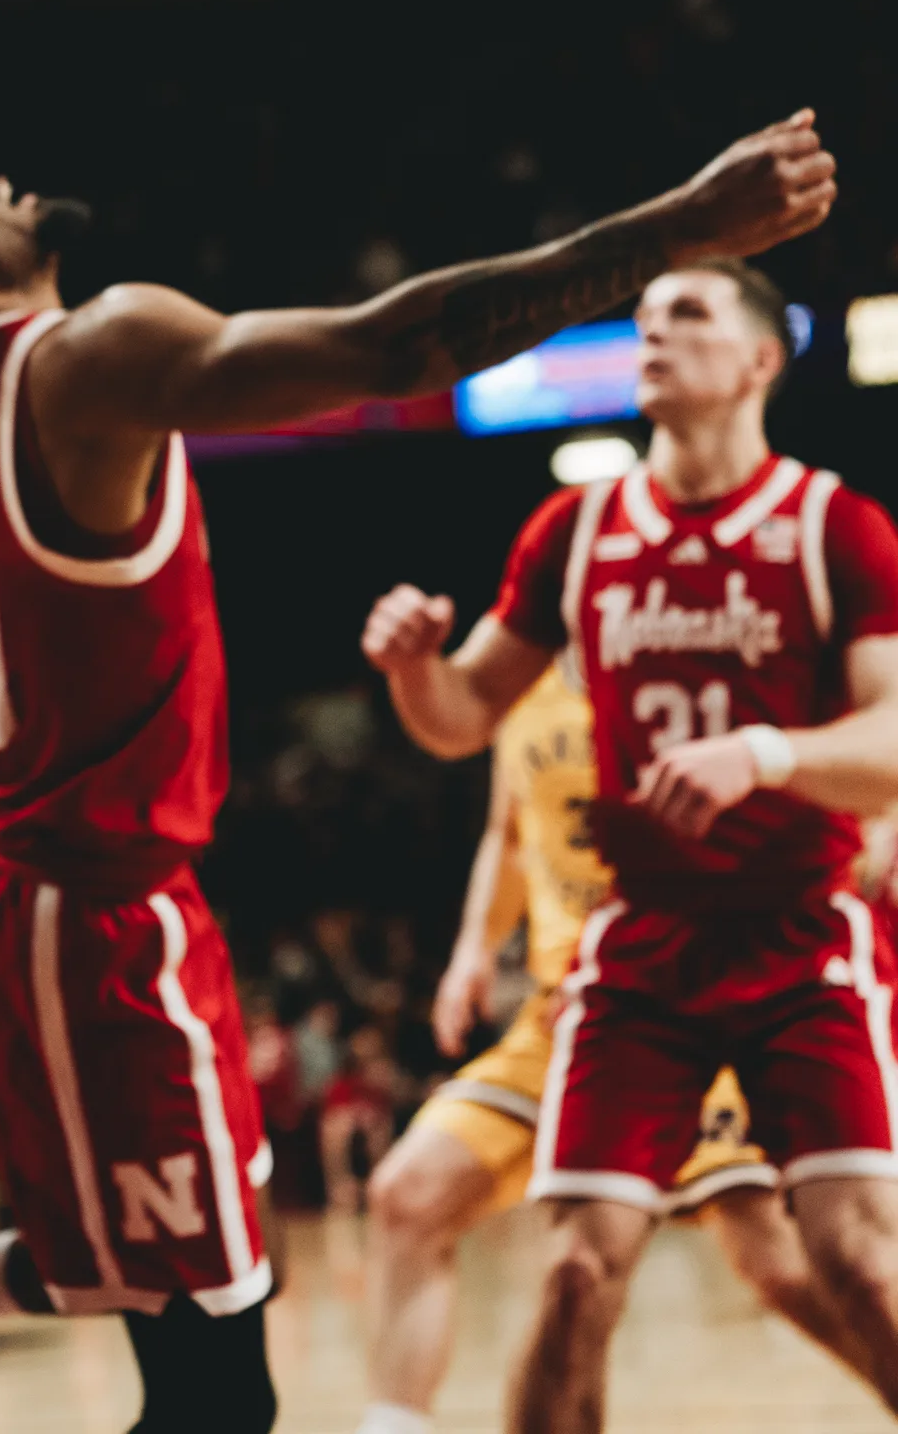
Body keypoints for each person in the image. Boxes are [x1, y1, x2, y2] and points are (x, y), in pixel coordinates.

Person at [0, 110, 837, 1429]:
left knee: (178, 1284)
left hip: (61, 903)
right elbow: (389, 347)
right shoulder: (86, 355)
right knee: (216, 1384)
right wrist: (675, 229)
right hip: (90, 915)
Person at [361, 255, 898, 1432]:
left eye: (688, 316)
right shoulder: (576, 528)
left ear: (761, 359)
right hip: (640, 947)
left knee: (849, 1257)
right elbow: (459, 722)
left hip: (799, 937)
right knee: (570, 1271)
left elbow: (893, 739)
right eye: (644, 317)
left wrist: (766, 755)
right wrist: (413, 671)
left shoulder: (833, 525)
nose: (652, 334)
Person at [355, 659, 870, 1434]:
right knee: (414, 1197)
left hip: (683, 993)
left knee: (785, 1268)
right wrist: (472, 950)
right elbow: (507, 831)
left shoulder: (699, 657)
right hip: (558, 1016)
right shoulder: (517, 676)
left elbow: (837, 760)